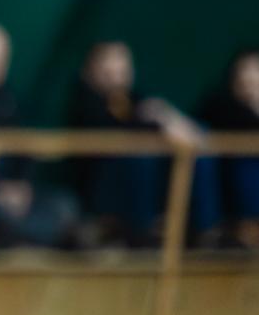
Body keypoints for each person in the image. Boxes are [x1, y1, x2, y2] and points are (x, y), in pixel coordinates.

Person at [68, 41, 216, 248]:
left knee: (194, 145)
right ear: (89, 71)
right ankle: (140, 233)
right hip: (100, 187)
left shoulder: (132, 97)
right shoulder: (84, 100)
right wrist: (159, 123)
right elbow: (119, 127)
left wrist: (170, 118)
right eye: (107, 71)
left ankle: (203, 231)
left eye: (121, 71)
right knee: (141, 155)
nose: (115, 78)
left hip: (148, 182)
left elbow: (157, 115)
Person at [0, 21, 77, 248]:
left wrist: (21, 186)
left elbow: (24, 150)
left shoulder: (8, 100)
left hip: (10, 195)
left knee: (64, 206)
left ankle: (26, 241)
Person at [200, 49, 259, 249]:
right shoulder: (219, 105)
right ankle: (244, 229)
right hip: (227, 183)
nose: (249, 79)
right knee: (247, 165)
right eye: (244, 73)